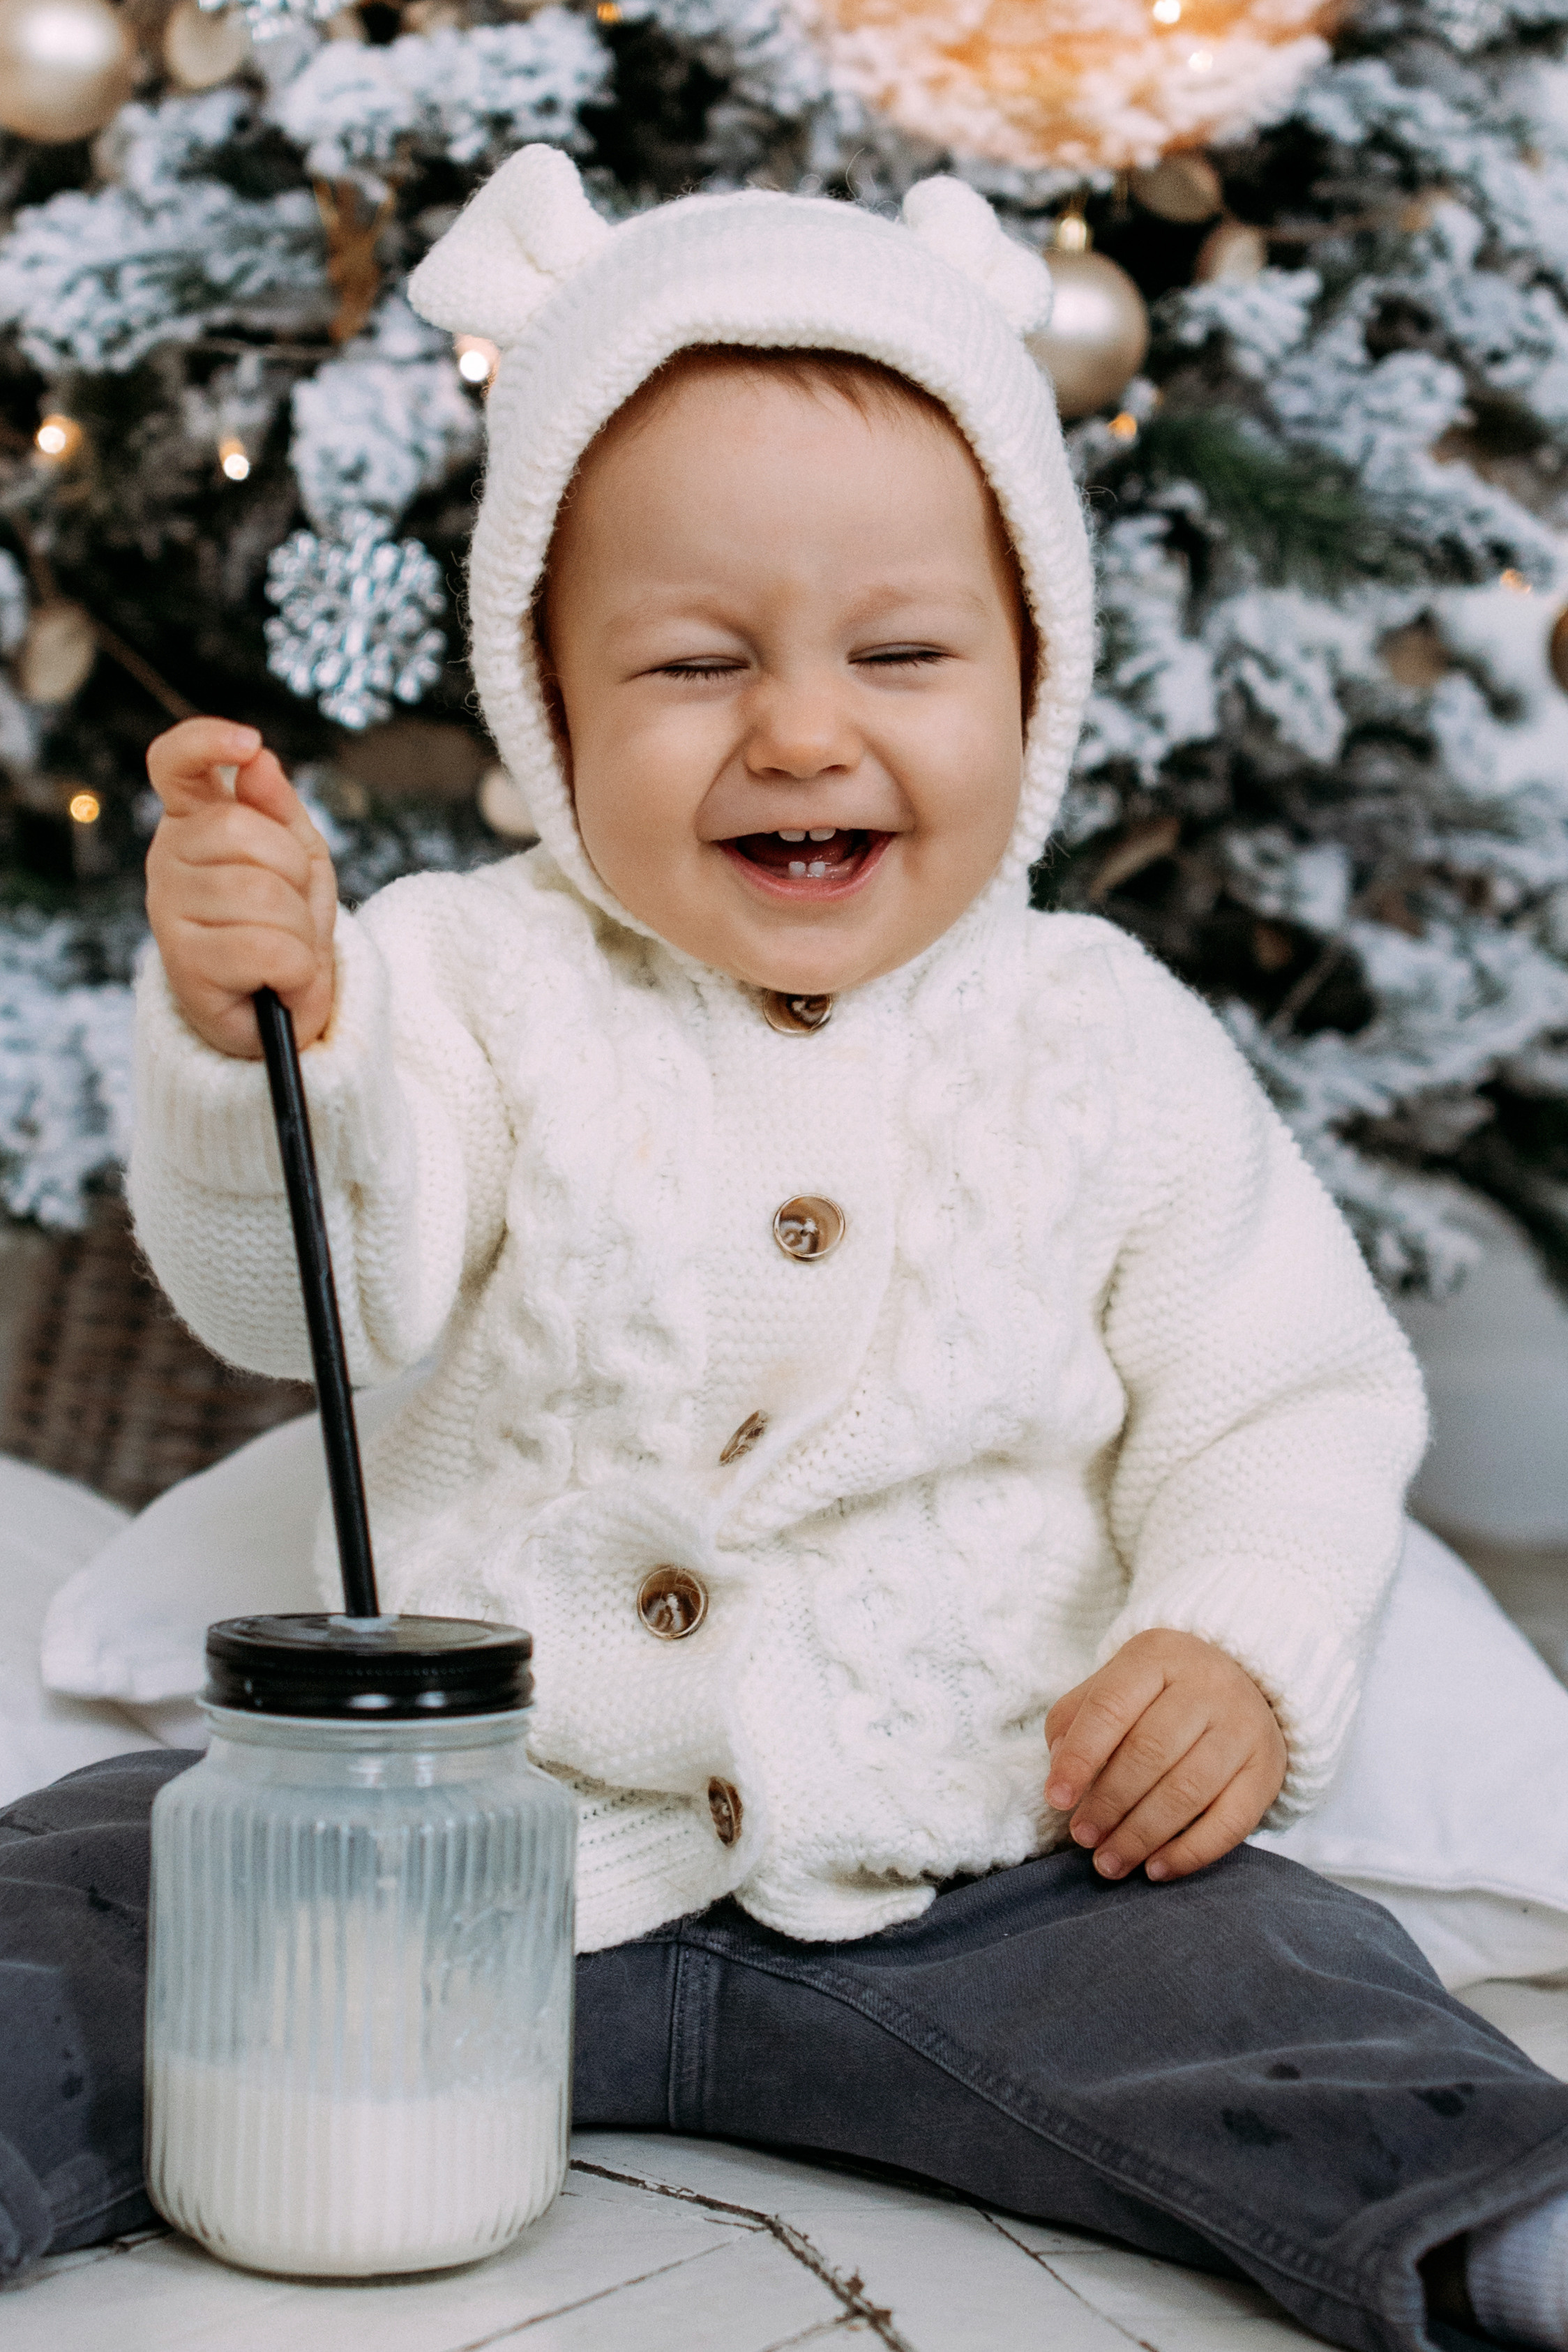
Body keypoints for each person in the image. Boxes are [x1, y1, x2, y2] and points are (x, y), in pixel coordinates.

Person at [3, 148, 1566, 2345]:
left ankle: (1507, 2226)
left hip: (987, 1868)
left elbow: (1284, 1393)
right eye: (693, 662)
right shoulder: (460, 975)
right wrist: (267, 1039)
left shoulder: (1098, 1036)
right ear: (546, 707)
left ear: (1036, 673)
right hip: (457, 1842)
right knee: (89, 1890)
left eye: (904, 651)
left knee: (1290, 1990)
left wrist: (1235, 1639)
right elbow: (311, 1299)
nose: (804, 729)